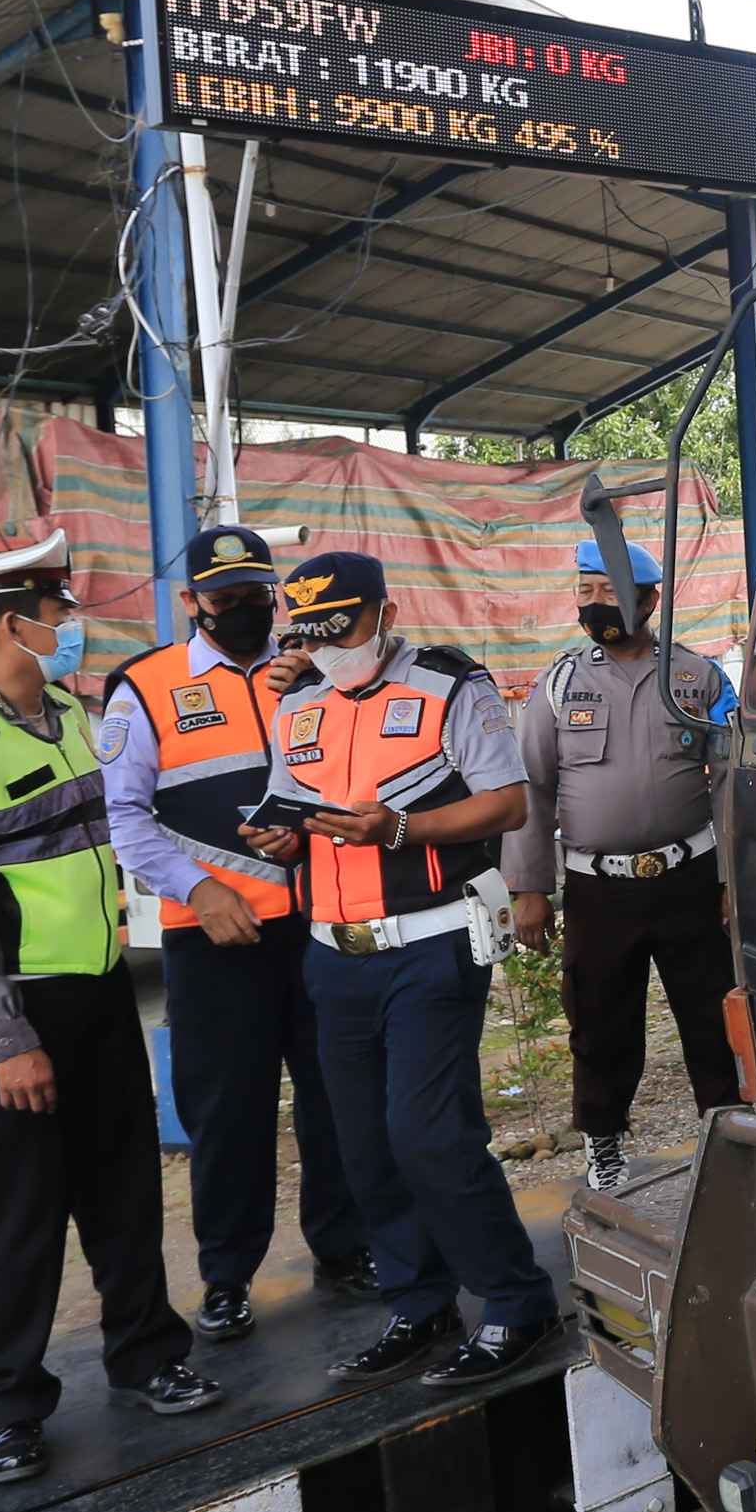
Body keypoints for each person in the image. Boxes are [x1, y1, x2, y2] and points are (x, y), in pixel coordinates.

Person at [0, 531, 218, 1487]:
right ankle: (6, 1408)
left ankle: (150, 1356)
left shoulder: (72, 712)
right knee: (13, 1219)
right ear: (10, 624)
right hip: (5, 1025)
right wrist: (9, 1040)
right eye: (56, 611)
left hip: (97, 996)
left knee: (122, 1189)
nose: (71, 624)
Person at [239, 551, 554, 1388]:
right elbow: (288, 805)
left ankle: (516, 1301)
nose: (331, 647)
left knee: (432, 1134)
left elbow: (509, 801)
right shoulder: (298, 704)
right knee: (364, 1143)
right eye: (313, 633)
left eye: (343, 628)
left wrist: (397, 830)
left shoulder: (452, 686)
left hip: (430, 942)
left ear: (385, 610)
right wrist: (278, 837)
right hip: (332, 953)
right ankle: (417, 1303)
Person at [102, 523, 372, 1340]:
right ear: (191, 601)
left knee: (336, 1096)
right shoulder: (145, 688)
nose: (250, 609)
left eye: (261, 593)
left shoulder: (312, 672)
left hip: (321, 924)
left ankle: (345, 1245)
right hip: (215, 939)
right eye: (228, 598)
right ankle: (226, 1277)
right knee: (229, 1113)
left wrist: (316, 685)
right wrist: (201, 889)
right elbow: (125, 817)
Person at [508, 535, 738, 1197]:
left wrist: (730, 879)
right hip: (596, 889)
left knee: (711, 1017)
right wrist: (529, 888)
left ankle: (727, 1139)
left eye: (609, 592)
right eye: (585, 592)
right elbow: (531, 789)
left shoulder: (700, 678)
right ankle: (605, 1146)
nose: (594, 604)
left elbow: (728, 781)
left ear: (651, 598)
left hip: (690, 880)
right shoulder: (557, 686)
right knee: (601, 1021)